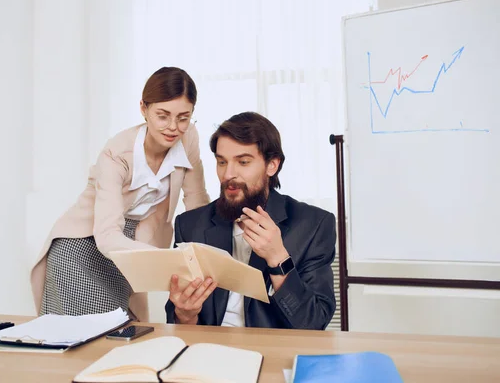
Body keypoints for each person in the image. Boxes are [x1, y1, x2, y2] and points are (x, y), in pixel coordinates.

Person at [31, 67, 210, 321]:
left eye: (183, 117)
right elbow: (106, 236)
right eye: (163, 116)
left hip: (131, 246)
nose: (173, 127)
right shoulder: (116, 153)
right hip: (85, 245)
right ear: (143, 109)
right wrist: (170, 260)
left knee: (125, 334)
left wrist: (206, 252)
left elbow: (197, 202)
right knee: (84, 339)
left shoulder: (188, 137)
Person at [165, 112, 336, 329]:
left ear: (272, 165)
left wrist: (278, 259)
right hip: (208, 351)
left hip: (272, 353)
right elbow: (176, 319)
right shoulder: (189, 225)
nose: (228, 174)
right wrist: (186, 315)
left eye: (243, 162)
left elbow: (314, 323)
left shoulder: (313, 225)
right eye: (221, 162)